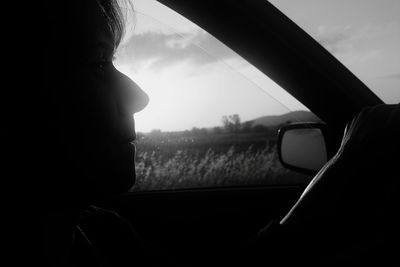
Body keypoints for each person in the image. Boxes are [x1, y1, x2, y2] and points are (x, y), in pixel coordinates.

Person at [7, 1, 151, 266]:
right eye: (99, 62)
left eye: (111, 59)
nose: (139, 98)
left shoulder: (108, 232)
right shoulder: (105, 238)